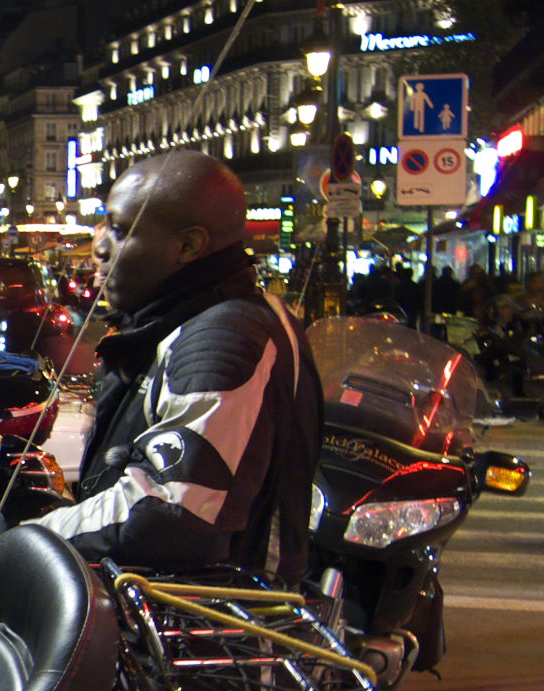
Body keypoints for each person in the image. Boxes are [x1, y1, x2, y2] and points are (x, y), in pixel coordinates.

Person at [22, 151, 321, 581]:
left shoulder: (223, 337)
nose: (99, 246)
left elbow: (171, 510)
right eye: (104, 223)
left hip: (210, 611)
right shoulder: (200, 316)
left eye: (121, 230)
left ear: (188, 246)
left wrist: (31, 537)